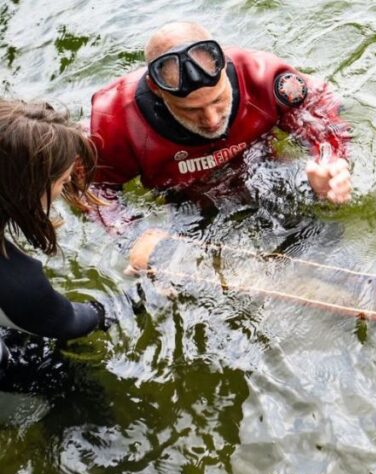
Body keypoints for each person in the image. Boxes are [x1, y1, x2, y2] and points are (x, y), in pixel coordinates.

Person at [88, 22, 352, 229]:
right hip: (186, 206)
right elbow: (95, 189)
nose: (212, 120)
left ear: (225, 69)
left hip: (264, 169)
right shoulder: (116, 121)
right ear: (158, 91)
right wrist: (133, 235)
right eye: (191, 110)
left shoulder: (262, 76)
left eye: (218, 100)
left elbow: (319, 108)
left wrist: (330, 159)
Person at [0, 101, 110, 379]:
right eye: (62, 181)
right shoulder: (16, 282)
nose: (64, 189)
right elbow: (69, 322)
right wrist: (137, 297)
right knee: (63, 377)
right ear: (26, 188)